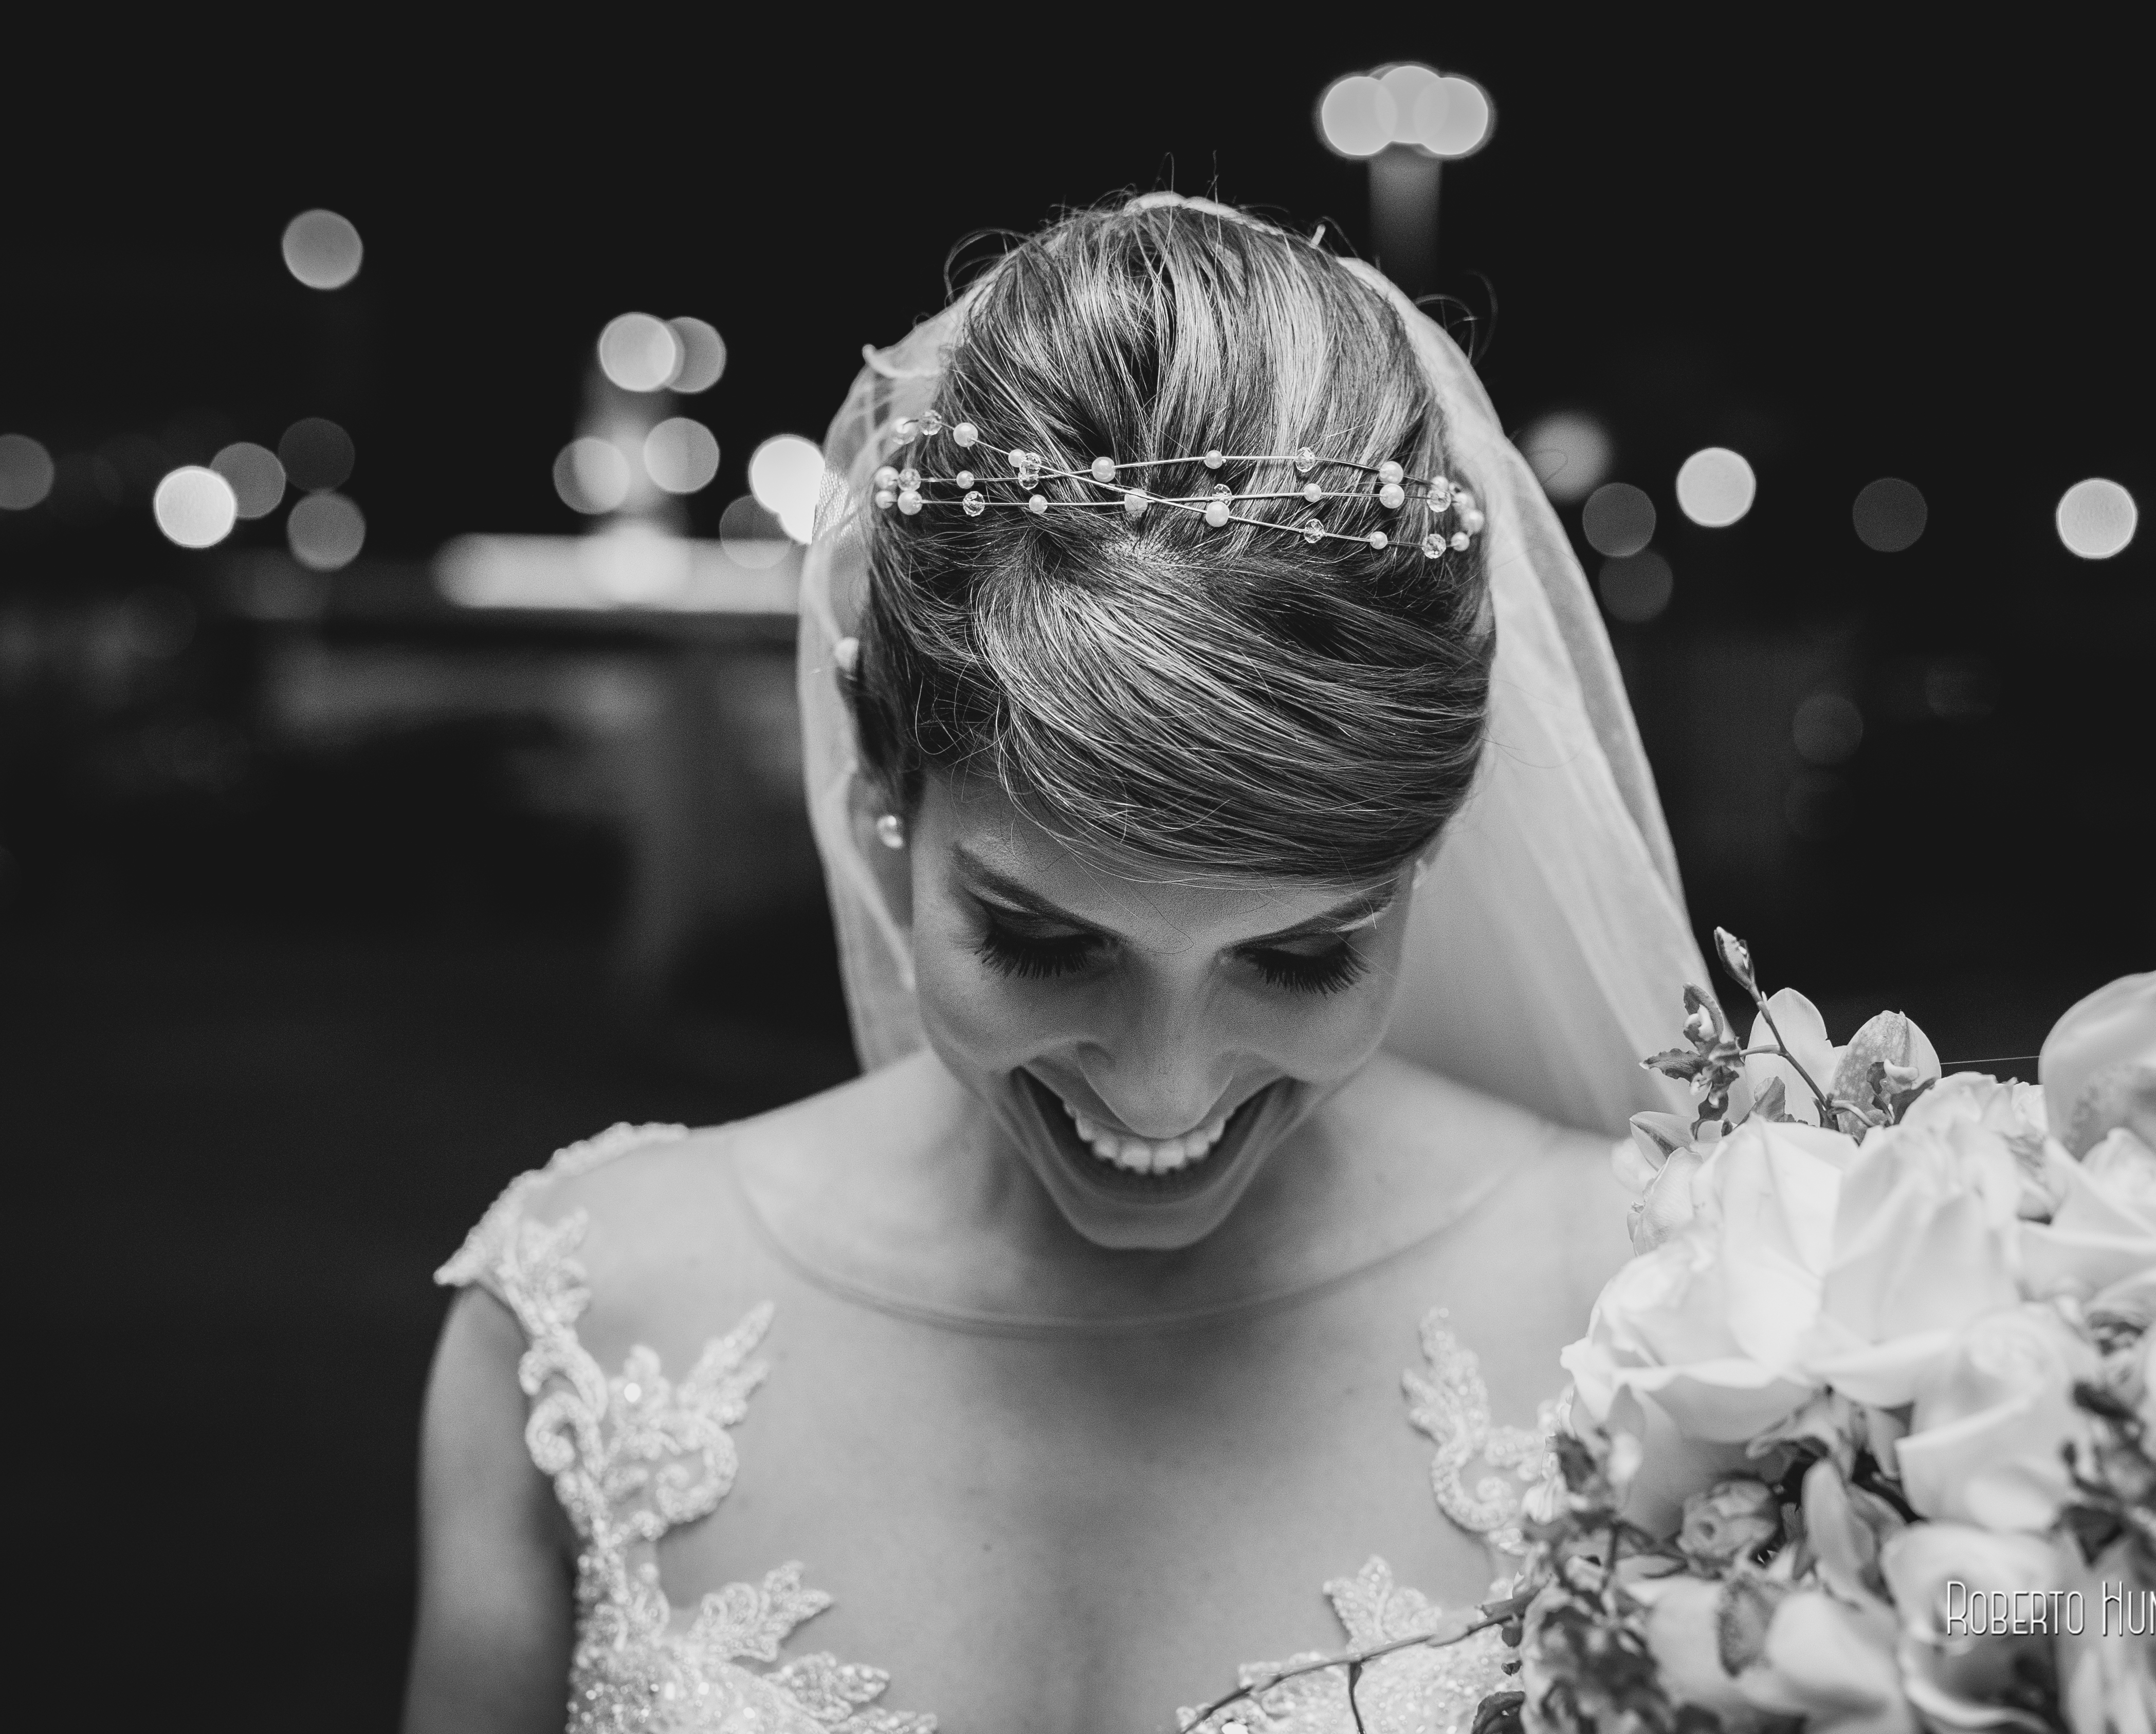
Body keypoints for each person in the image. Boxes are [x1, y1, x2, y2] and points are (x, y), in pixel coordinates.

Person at [401, 194, 1705, 1734]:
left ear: (1421, 860)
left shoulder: (1672, 1321)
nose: (1162, 1096)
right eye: (1043, 942)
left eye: (1296, 959)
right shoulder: (583, 1328)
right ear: (885, 797)